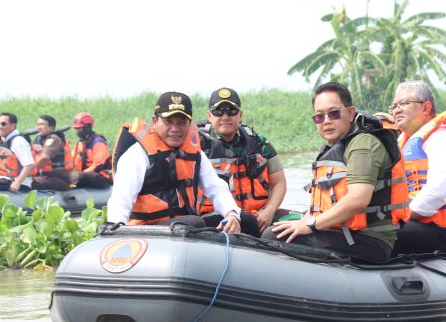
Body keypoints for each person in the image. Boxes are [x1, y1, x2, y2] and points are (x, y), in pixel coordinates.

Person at [264, 82, 409, 263]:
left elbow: (358, 199)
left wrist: (312, 224)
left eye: (333, 113)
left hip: (370, 240)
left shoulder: (363, 144)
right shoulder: (336, 144)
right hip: (344, 231)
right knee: (278, 223)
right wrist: (305, 219)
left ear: (350, 113)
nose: (326, 121)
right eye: (319, 117)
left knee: (272, 236)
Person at [107, 91, 249, 235]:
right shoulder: (137, 154)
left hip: (184, 224)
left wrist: (231, 214)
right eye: (168, 122)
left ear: (190, 123)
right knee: (194, 223)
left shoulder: (195, 153)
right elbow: (121, 199)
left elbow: (216, 188)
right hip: (147, 230)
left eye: (182, 123)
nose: (175, 129)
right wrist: (116, 229)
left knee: (246, 220)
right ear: (155, 121)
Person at [391, 80, 446, 256]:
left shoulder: (443, 138)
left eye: (404, 103)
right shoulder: (403, 142)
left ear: (425, 107)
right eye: (394, 106)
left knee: (381, 235)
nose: (397, 110)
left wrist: (398, 217)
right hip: (422, 223)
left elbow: (436, 193)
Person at [198, 87, 288, 234]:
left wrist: (269, 211)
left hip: (260, 214)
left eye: (231, 111)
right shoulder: (198, 145)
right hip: (217, 216)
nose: (225, 116)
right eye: (218, 111)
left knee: (297, 219)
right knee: (246, 221)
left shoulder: (259, 143)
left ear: (240, 115)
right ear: (209, 115)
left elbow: (279, 182)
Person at [0, 113, 35, 192]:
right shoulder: (4, 141)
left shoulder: (18, 141)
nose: (0, 127)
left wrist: (17, 183)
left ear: (13, 125)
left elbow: (29, 165)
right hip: (2, 179)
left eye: (3, 124)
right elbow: (0, 160)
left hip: (16, 182)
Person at [31, 114, 73, 191]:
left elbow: (44, 158)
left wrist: (30, 172)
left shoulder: (53, 139)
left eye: (42, 125)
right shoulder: (39, 139)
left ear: (51, 128)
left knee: (30, 183)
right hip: (46, 175)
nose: (38, 127)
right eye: (37, 125)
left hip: (57, 178)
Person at [71, 112, 113, 189]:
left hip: (101, 177)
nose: (77, 132)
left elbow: (98, 166)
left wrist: (81, 175)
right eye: (76, 129)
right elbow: (71, 161)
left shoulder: (98, 142)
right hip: (85, 175)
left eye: (79, 129)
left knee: (81, 177)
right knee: (70, 177)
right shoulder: (80, 143)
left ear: (87, 127)